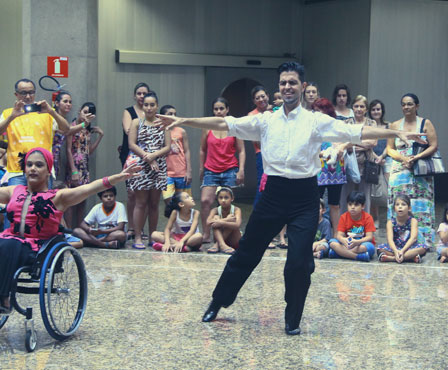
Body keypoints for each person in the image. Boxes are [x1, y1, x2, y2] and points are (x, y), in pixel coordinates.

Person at [155, 61, 424, 334]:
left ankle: (292, 317)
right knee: (247, 252)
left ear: (302, 86)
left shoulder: (316, 121)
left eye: (293, 82)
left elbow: (356, 131)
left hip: (304, 197)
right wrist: (184, 120)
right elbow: (225, 122)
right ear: (279, 87)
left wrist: (395, 132)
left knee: (298, 262)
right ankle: (219, 300)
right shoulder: (265, 120)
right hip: (273, 194)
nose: (287, 87)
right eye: (283, 82)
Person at [0, 147, 140, 312]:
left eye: (39, 165)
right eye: (29, 165)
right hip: (11, 239)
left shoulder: (58, 197)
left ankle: (1, 298)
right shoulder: (14, 191)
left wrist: (116, 178)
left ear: (48, 170)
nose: (33, 169)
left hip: (39, 247)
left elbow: (89, 188)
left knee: (7, 245)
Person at [0, 78, 70, 187]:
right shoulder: (8, 113)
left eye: (31, 92)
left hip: (43, 170)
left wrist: (52, 111)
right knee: (17, 203)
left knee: (42, 203)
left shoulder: (46, 113)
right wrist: (12, 117)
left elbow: (66, 129)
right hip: (17, 171)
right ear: (16, 94)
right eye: (24, 93)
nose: (28, 96)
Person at [386, 93, 438, 247]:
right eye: (403, 104)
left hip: (420, 170)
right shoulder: (395, 125)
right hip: (399, 171)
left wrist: (416, 158)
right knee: (399, 204)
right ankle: (397, 241)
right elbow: (390, 148)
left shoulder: (426, 123)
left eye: (409, 104)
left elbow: (434, 145)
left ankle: (423, 242)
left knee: (420, 206)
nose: (406, 107)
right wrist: (403, 159)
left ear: (417, 106)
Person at [127, 92, 171, 249]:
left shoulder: (163, 123)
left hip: (158, 166)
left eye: (152, 104)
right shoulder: (136, 122)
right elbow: (132, 144)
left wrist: (154, 156)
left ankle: (153, 236)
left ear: (157, 106)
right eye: (146, 104)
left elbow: (167, 146)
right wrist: (148, 157)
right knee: (141, 203)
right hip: (141, 165)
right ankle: (138, 237)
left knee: (154, 203)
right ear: (142, 106)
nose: (149, 107)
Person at [199, 97, 245, 243]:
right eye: (216, 109)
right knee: (206, 200)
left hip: (230, 169)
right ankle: (206, 234)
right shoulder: (207, 127)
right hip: (211, 169)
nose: (218, 111)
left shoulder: (234, 127)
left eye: (221, 108)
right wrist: (201, 168)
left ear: (227, 110)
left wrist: (241, 170)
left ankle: (225, 235)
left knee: (226, 203)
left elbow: (241, 150)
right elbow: (202, 150)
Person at [312, 98, 347, 234]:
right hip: (318, 169)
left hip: (335, 170)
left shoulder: (336, 125)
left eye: (319, 111)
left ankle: (337, 235)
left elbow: (347, 141)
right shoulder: (312, 127)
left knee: (334, 203)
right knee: (315, 203)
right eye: (314, 111)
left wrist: (340, 148)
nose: (317, 114)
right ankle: (314, 233)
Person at [65, 101, 104, 226]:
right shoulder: (73, 126)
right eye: (85, 112)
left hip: (85, 168)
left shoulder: (87, 130)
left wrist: (99, 137)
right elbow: (68, 150)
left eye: (90, 114)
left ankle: (79, 230)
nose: (87, 115)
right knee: (71, 201)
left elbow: (89, 151)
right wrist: (73, 171)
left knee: (82, 200)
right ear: (79, 111)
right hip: (74, 167)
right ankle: (69, 230)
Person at [120, 82, 150, 240]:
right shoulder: (129, 111)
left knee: (144, 194)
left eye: (145, 93)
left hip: (149, 156)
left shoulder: (152, 112)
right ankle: (131, 227)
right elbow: (128, 131)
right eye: (139, 93)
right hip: (130, 156)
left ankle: (140, 228)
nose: (142, 96)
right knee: (132, 193)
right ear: (135, 95)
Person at [340, 95, 377, 215]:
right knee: (346, 195)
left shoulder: (372, 123)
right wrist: (363, 145)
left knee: (365, 196)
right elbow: (343, 142)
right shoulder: (346, 123)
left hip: (366, 164)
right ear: (352, 108)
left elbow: (373, 142)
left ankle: (365, 225)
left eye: (362, 106)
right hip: (349, 164)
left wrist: (353, 144)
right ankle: (344, 224)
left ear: (366, 109)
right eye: (356, 106)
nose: (359, 109)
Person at [377, 194, 427, 263]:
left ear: (409, 208)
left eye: (403, 204)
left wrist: (402, 251)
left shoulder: (413, 221)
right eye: (397, 205)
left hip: (409, 248)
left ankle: (393, 258)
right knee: (380, 248)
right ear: (394, 208)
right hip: (395, 248)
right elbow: (390, 240)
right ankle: (410, 258)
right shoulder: (390, 222)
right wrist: (395, 250)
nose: (400, 207)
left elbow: (413, 238)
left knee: (423, 248)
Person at [328, 191, 376, 262]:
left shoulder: (368, 217)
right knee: (332, 243)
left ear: (363, 206)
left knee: (369, 247)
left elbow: (369, 237)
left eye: (356, 205)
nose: (352, 207)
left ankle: (339, 253)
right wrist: (343, 241)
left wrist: (357, 242)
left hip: (361, 243)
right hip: (348, 242)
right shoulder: (343, 217)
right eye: (350, 204)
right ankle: (357, 256)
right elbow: (339, 235)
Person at [160, 105, 192, 204]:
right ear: (162, 116)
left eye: (175, 114)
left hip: (181, 171)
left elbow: (186, 151)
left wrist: (188, 170)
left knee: (182, 202)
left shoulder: (181, 131)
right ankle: (171, 218)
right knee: (168, 199)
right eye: (170, 114)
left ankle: (180, 219)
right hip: (166, 172)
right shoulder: (160, 131)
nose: (173, 116)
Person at [369, 99, 391, 226]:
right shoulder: (367, 126)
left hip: (386, 159)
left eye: (378, 109)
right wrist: (375, 157)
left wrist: (382, 157)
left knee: (389, 189)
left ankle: (390, 219)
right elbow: (367, 144)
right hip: (371, 159)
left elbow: (390, 144)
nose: (376, 111)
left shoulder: (388, 126)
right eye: (373, 109)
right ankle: (375, 218)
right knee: (373, 191)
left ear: (382, 111)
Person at [248, 86, 269, 208]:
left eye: (263, 96)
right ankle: (257, 215)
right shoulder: (252, 115)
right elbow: (257, 141)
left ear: (268, 96)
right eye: (257, 98)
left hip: (277, 154)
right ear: (254, 101)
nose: (261, 99)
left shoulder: (275, 112)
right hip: (262, 154)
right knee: (262, 185)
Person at [207, 186, 242, 254]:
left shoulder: (236, 209)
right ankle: (222, 245)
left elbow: (237, 225)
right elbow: (208, 222)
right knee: (216, 217)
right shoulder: (215, 210)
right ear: (217, 199)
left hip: (234, 240)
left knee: (231, 219)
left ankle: (218, 245)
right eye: (220, 198)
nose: (223, 200)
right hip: (220, 238)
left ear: (232, 198)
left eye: (226, 198)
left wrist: (221, 222)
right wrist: (226, 219)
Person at [51, 91, 73, 179]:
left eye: (70, 102)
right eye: (65, 101)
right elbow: (67, 131)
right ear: (57, 103)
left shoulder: (65, 120)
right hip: (47, 156)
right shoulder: (52, 118)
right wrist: (83, 125)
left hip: (56, 157)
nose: (68, 104)